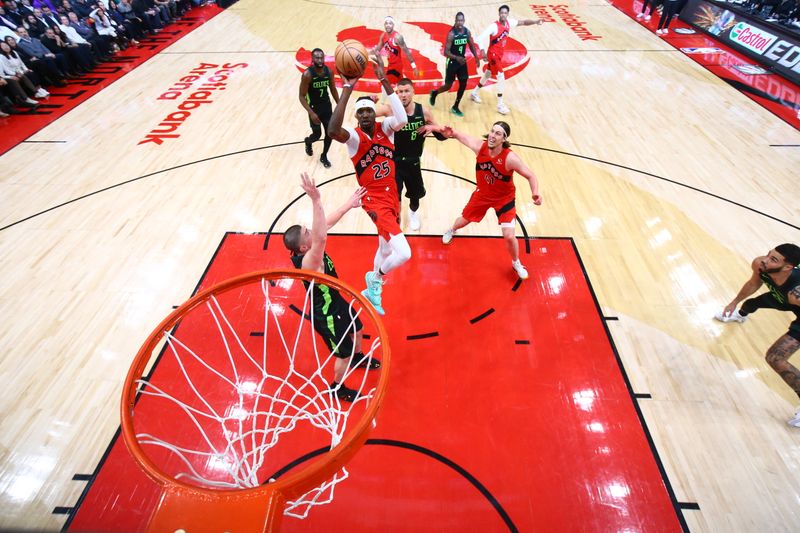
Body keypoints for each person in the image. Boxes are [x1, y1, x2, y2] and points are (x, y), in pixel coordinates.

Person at [283, 172, 380, 403]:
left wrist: (349, 203)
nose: (313, 230)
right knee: (343, 353)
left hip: (336, 301)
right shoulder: (309, 262)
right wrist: (316, 200)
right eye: (308, 232)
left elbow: (326, 224)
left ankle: (358, 357)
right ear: (305, 246)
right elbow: (321, 238)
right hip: (326, 314)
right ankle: (337, 387)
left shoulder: (308, 245)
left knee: (358, 327)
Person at [327, 55, 410, 316]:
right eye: (360, 112)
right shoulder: (353, 137)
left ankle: (372, 292)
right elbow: (332, 130)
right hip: (373, 199)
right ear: (356, 115)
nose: (364, 115)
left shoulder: (386, 127)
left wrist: (384, 79)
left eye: (368, 111)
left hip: (392, 195)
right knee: (403, 253)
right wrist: (347, 88)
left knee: (385, 247)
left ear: (373, 113)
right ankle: (376, 278)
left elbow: (403, 118)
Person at [418, 121, 542, 279]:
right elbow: (454, 133)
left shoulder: (510, 158)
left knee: (509, 236)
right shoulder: (479, 146)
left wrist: (535, 192)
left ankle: (516, 262)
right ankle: (452, 230)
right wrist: (434, 128)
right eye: (492, 131)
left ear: (504, 139)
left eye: (498, 133)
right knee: (462, 221)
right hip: (482, 195)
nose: (492, 135)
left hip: (504, 199)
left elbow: (531, 175)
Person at [714, 244, 800, 427]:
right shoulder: (761, 265)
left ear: (787, 267)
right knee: (752, 303)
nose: (765, 260)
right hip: (782, 298)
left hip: (794, 305)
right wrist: (734, 303)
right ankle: (739, 315)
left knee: (776, 357)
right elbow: (754, 283)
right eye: (769, 255)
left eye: (773, 259)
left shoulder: (797, 293)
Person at [376, 77, 442, 231]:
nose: (403, 95)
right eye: (399, 92)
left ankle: (413, 214)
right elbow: (364, 113)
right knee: (394, 198)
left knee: (415, 197)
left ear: (413, 92)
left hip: (413, 162)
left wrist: (435, 128)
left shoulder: (423, 112)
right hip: (393, 162)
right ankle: (395, 223)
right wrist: (365, 100)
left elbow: (441, 135)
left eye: (406, 91)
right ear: (395, 93)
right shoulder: (389, 110)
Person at [470, 4, 542, 115]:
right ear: (499, 14)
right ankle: (500, 105)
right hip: (493, 55)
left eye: (505, 13)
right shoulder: (494, 26)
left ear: (507, 14)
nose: (503, 14)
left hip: (499, 54)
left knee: (488, 74)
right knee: (501, 76)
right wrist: (483, 52)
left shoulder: (509, 23)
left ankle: (474, 93)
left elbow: (523, 22)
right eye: (501, 12)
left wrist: (535, 21)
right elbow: (479, 38)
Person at [428, 11, 481, 117]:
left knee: (463, 83)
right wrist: (457, 58)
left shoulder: (467, 32)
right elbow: (446, 52)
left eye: (461, 20)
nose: (460, 22)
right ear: (455, 21)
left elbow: (471, 45)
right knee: (448, 85)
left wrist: (476, 57)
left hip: (462, 62)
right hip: (452, 61)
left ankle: (455, 106)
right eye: (458, 20)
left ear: (464, 21)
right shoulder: (451, 34)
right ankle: (435, 93)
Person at [299, 47, 339, 169]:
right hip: (314, 109)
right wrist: (311, 113)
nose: (320, 60)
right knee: (317, 135)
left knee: (330, 133)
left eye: (322, 57)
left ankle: (324, 155)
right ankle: (308, 141)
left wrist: (339, 105)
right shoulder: (307, 74)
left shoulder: (329, 72)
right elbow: (301, 96)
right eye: (317, 57)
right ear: (312, 59)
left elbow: (333, 89)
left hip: (326, 107)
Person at [371, 15, 419, 86]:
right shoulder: (383, 36)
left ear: (393, 25)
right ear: (384, 25)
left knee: (387, 86)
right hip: (390, 64)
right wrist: (367, 53)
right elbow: (377, 49)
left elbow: (407, 52)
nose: (388, 25)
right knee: (398, 87)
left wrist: (414, 67)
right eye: (386, 23)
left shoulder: (397, 37)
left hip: (396, 66)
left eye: (390, 23)